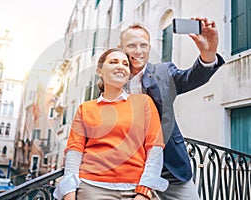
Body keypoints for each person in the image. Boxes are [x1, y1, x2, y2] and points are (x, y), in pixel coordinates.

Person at [119, 18, 225, 199]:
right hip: (126, 166)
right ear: (121, 48)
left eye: (143, 45)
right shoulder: (114, 78)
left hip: (168, 166)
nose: (138, 51)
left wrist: (209, 54)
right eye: (131, 45)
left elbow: (190, 78)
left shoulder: (163, 71)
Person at [54, 48, 168, 200]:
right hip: (92, 188)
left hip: (136, 189)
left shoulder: (144, 103)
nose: (121, 66)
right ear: (100, 71)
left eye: (125, 64)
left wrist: (144, 192)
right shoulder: (85, 109)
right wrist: (69, 193)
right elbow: (74, 153)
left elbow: (155, 148)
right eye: (113, 62)